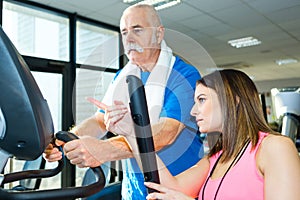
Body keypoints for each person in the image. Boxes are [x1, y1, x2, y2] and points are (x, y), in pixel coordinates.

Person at [44, 4, 204, 199]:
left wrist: (105, 150)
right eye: (124, 32)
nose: (129, 38)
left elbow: (165, 134)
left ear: (159, 34)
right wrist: (66, 140)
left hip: (175, 191)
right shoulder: (123, 76)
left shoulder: (183, 75)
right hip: (133, 191)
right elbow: (100, 121)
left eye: (137, 29)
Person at [110, 69, 300, 200]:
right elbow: (170, 187)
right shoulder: (216, 158)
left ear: (233, 101)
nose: (193, 111)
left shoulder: (274, 148)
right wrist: (131, 135)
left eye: (201, 100)